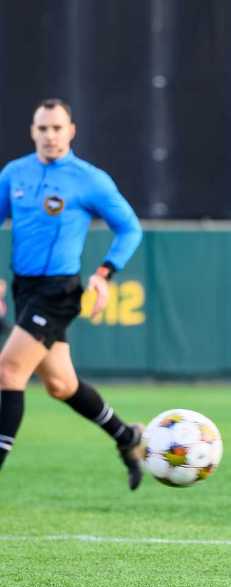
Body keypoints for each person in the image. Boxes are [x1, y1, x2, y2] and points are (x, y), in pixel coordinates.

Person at [0, 98, 146, 488]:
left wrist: (103, 273)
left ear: (71, 130)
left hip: (59, 291)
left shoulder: (89, 179)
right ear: (32, 131)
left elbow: (130, 228)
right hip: (24, 289)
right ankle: (127, 436)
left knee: (9, 369)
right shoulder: (14, 174)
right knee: (61, 384)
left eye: (57, 128)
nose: (50, 135)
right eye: (43, 128)